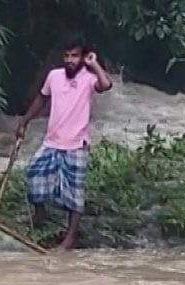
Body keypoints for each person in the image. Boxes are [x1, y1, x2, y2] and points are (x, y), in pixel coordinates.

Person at [15, 38, 113, 251]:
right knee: (32, 172)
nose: (70, 60)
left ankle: (69, 239)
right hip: (52, 140)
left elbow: (106, 85)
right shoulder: (54, 76)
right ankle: (40, 213)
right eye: (67, 56)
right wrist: (24, 122)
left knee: (74, 193)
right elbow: (41, 99)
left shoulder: (89, 78)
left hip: (76, 144)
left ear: (82, 57)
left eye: (75, 56)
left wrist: (94, 64)